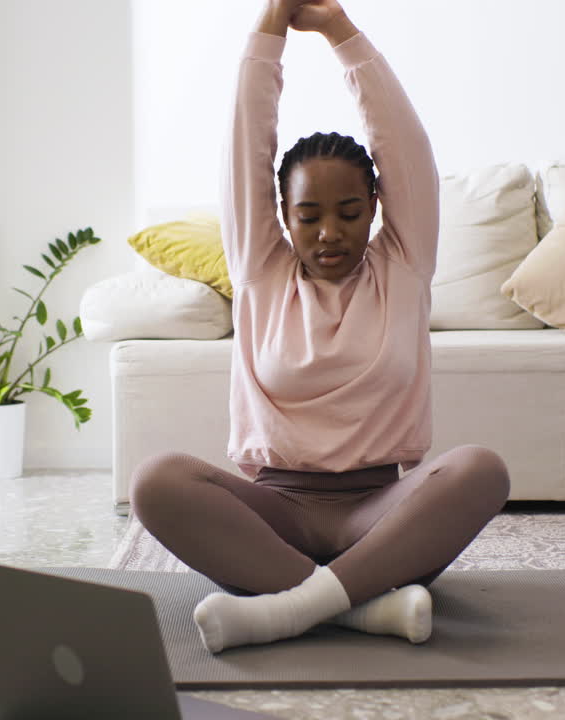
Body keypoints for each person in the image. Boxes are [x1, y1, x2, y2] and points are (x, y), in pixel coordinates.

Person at [130, 0, 511, 654]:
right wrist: (271, 25)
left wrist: (339, 30)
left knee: (482, 470)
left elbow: (404, 145)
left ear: (375, 210)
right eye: (308, 215)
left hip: (379, 515)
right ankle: (361, 606)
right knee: (155, 481)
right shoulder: (261, 269)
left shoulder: (405, 265)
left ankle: (294, 605)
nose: (330, 232)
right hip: (272, 515)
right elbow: (247, 139)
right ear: (281, 215)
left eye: (349, 212)